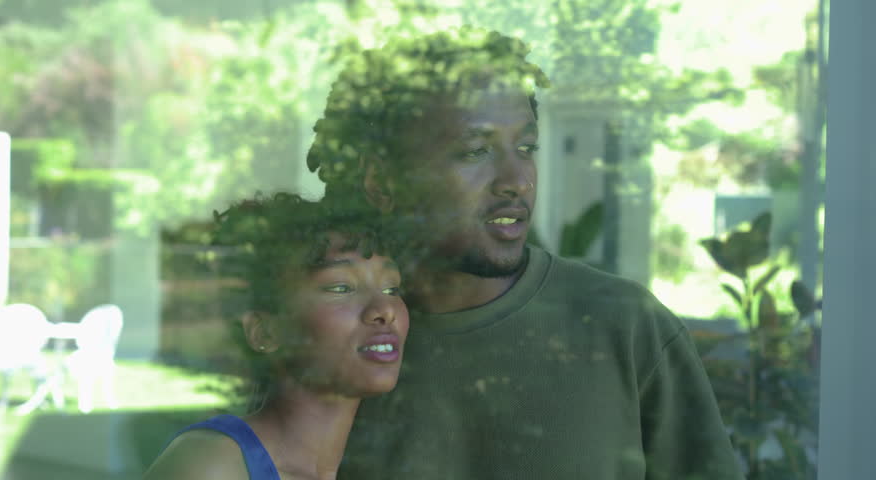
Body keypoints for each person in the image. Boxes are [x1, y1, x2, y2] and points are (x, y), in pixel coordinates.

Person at [307, 28, 744, 479]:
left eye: (527, 148)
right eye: (476, 151)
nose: (517, 180)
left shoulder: (625, 327)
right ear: (383, 183)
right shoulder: (336, 340)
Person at [143, 193, 409, 480]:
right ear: (265, 332)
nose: (384, 309)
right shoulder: (212, 468)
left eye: (391, 289)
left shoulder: (386, 468)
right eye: (341, 288)